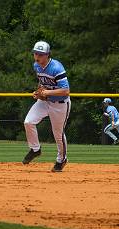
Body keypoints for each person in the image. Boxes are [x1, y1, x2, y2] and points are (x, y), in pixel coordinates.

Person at [23, 41, 71, 172]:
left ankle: (62, 159)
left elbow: (66, 91)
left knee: (58, 134)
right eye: (35, 54)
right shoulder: (36, 66)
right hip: (45, 101)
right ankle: (35, 149)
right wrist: (39, 92)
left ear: (47, 55)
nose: (37, 57)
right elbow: (43, 83)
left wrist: (47, 92)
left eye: (40, 54)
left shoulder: (57, 68)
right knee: (28, 122)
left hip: (60, 104)